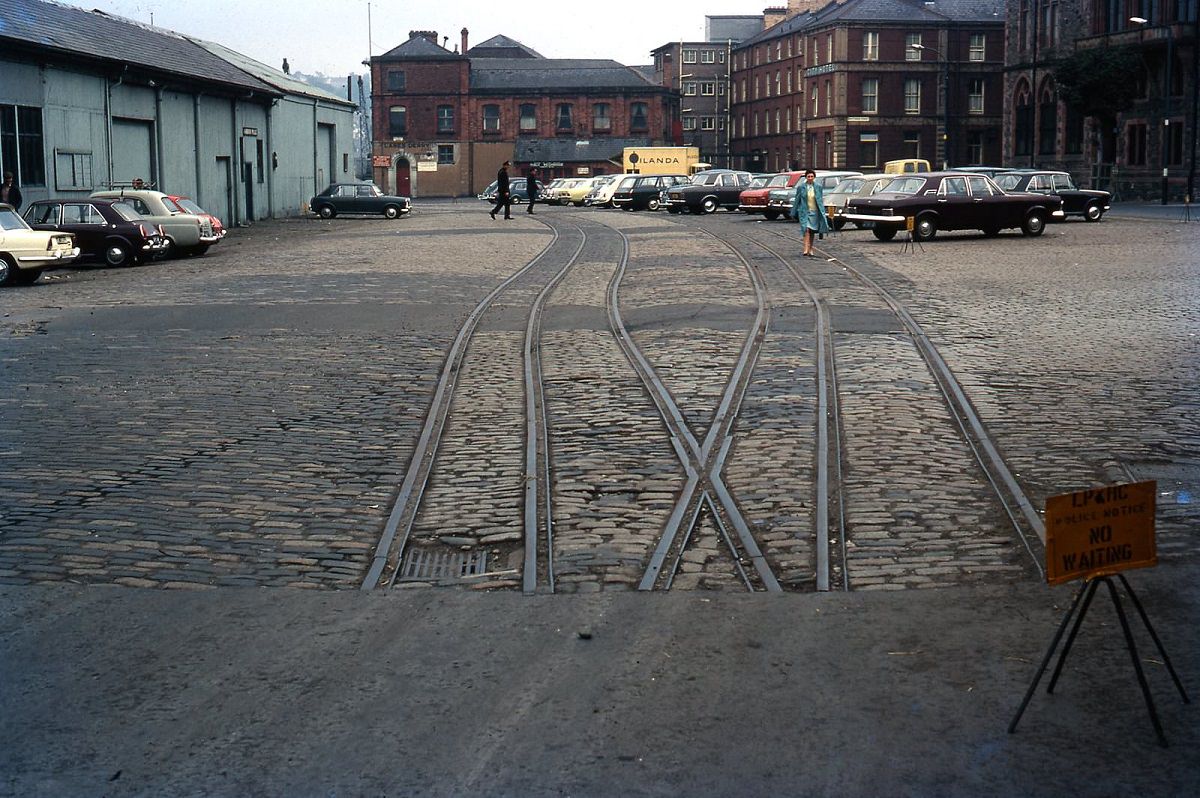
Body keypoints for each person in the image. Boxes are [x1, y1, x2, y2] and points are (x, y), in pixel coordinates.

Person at [792, 169, 829, 257]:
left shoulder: (818, 187)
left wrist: (823, 211)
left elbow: (820, 200)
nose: (810, 178)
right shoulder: (801, 187)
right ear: (806, 177)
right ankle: (805, 249)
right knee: (806, 229)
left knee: (812, 231)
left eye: (812, 176)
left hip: (815, 212)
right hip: (805, 212)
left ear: (814, 177)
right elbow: (797, 200)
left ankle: (811, 248)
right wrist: (793, 212)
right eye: (808, 176)